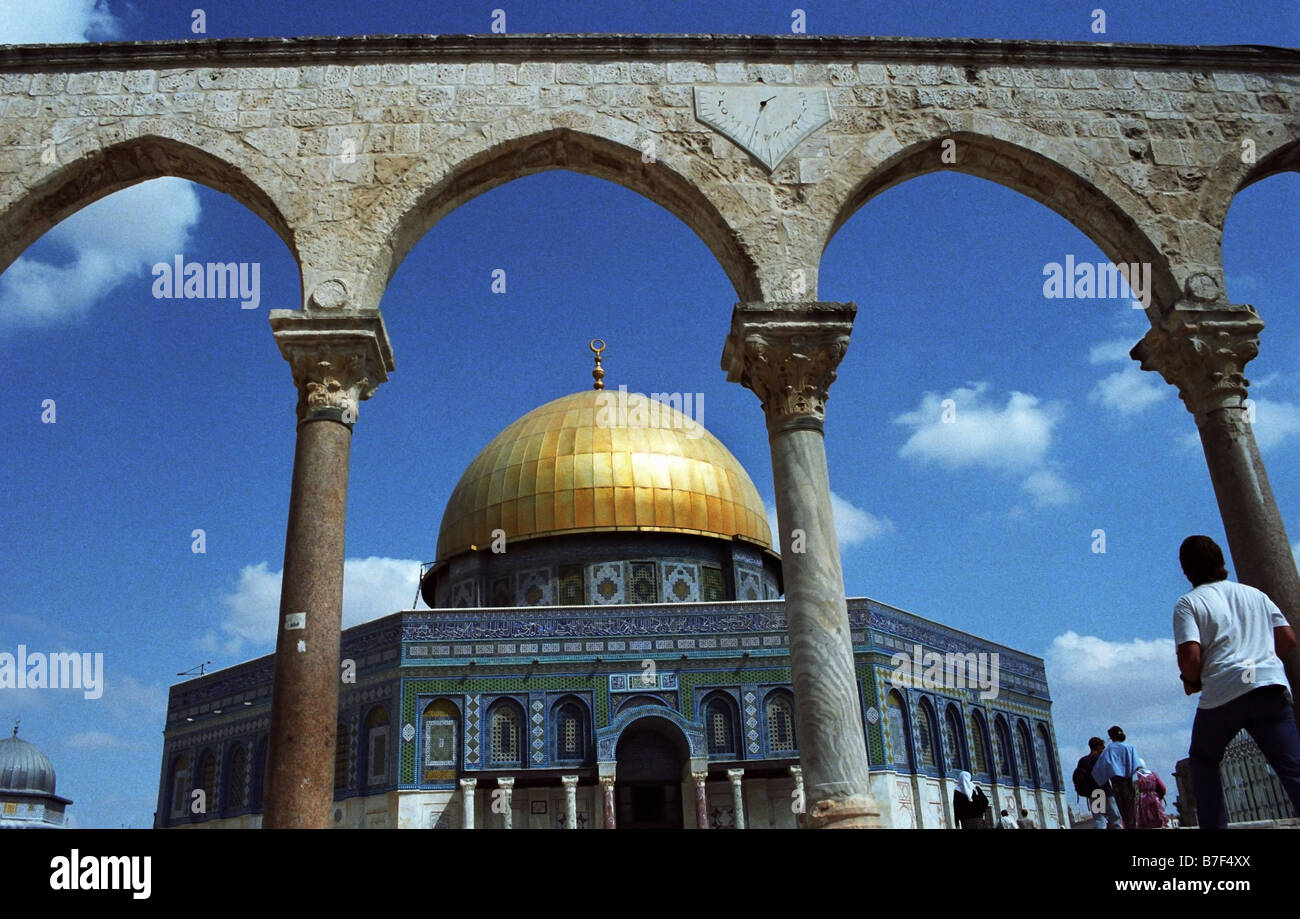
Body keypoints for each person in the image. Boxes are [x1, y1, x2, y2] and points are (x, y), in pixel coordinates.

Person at [1173, 535, 1300, 829]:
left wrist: (1192, 681)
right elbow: (1288, 639)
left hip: (1223, 693)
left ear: (1186, 570)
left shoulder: (1189, 603)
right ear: (1221, 560)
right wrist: (1260, 658)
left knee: (1204, 761)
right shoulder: (1254, 595)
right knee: (1292, 767)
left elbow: (1190, 657)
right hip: (1268, 687)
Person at [1092, 726, 1139, 828]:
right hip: (1128, 781)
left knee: (1121, 809)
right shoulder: (1129, 748)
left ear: (1111, 737)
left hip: (1116, 783)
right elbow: (1137, 766)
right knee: (1131, 808)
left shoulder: (1109, 750)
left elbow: (1098, 770)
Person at [1073, 737, 1113, 829]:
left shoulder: (1083, 761)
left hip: (1094, 794)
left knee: (1100, 821)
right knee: (1115, 819)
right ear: (1098, 747)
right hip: (1106, 791)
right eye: (1102, 747)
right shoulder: (1101, 759)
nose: (1103, 749)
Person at [1133, 759, 1168, 829]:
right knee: (1158, 821)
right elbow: (1163, 788)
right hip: (1154, 800)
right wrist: (1159, 797)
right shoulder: (1153, 775)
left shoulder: (1135, 776)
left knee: (1145, 823)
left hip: (1142, 801)